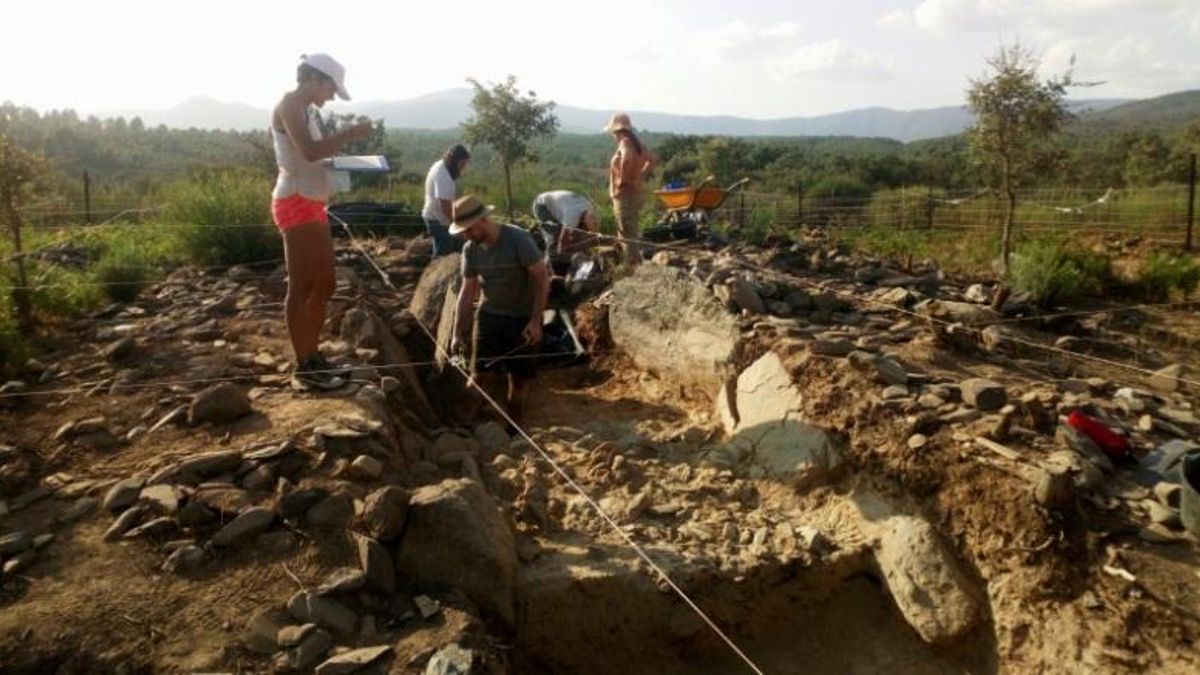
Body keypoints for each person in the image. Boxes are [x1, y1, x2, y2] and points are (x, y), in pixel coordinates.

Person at [271, 52, 373, 391]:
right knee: (301, 285)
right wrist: (349, 134)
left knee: (325, 284)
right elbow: (309, 152)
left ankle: (313, 357)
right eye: (331, 90)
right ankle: (305, 365)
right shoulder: (289, 104)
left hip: (312, 201)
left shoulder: (307, 109)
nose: (331, 97)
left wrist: (344, 162)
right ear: (317, 80)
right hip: (295, 199)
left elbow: (315, 154)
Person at [449, 195, 550, 422]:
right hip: (490, 315)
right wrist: (457, 332)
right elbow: (467, 292)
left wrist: (535, 320)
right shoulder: (470, 249)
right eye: (463, 231)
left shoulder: (518, 240)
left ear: (484, 220)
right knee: (479, 375)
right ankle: (463, 428)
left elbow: (542, 277)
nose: (467, 235)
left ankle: (515, 428)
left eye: (469, 230)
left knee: (519, 380)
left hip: (522, 316)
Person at [605, 113, 656, 265]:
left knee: (626, 231)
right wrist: (640, 175)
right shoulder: (637, 143)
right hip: (634, 192)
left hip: (624, 194)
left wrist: (621, 180)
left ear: (616, 131)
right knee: (630, 230)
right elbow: (652, 160)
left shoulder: (625, 142)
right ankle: (631, 262)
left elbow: (627, 159)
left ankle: (632, 266)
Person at [422, 143, 471, 257]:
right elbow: (445, 206)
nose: (463, 167)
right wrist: (457, 226)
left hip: (439, 217)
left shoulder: (444, 167)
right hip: (438, 220)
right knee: (443, 253)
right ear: (453, 160)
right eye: (462, 163)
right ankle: (436, 274)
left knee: (443, 248)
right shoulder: (442, 175)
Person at [530, 190, 600, 258]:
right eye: (585, 228)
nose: (585, 229)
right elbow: (563, 239)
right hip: (542, 205)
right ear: (583, 222)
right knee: (554, 237)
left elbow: (590, 236)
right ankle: (553, 260)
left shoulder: (589, 208)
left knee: (575, 235)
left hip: (560, 205)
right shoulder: (572, 216)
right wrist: (563, 255)